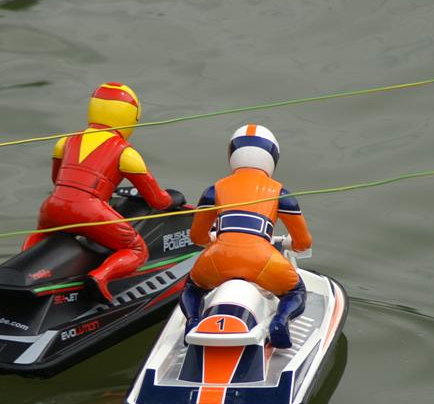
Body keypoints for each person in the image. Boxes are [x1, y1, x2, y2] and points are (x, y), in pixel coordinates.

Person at [22, 82, 173, 302]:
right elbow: (158, 201)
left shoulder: (65, 141)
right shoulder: (126, 154)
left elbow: (57, 180)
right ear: (130, 117)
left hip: (53, 207)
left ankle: (24, 267)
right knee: (137, 249)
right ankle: (100, 277)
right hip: (90, 213)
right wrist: (171, 198)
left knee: (42, 235)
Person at [179, 124, 312, 348]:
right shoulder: (281, 193)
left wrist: (212, 239)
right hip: (264, 262)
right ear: (273, 157)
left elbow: (197, 237)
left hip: (218, 260)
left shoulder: (213, 190)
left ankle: (192, 320)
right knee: (295, 291)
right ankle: (281, 320)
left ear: (232, 154)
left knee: (192, 288)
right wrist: (292, 244)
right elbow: (304, 242)